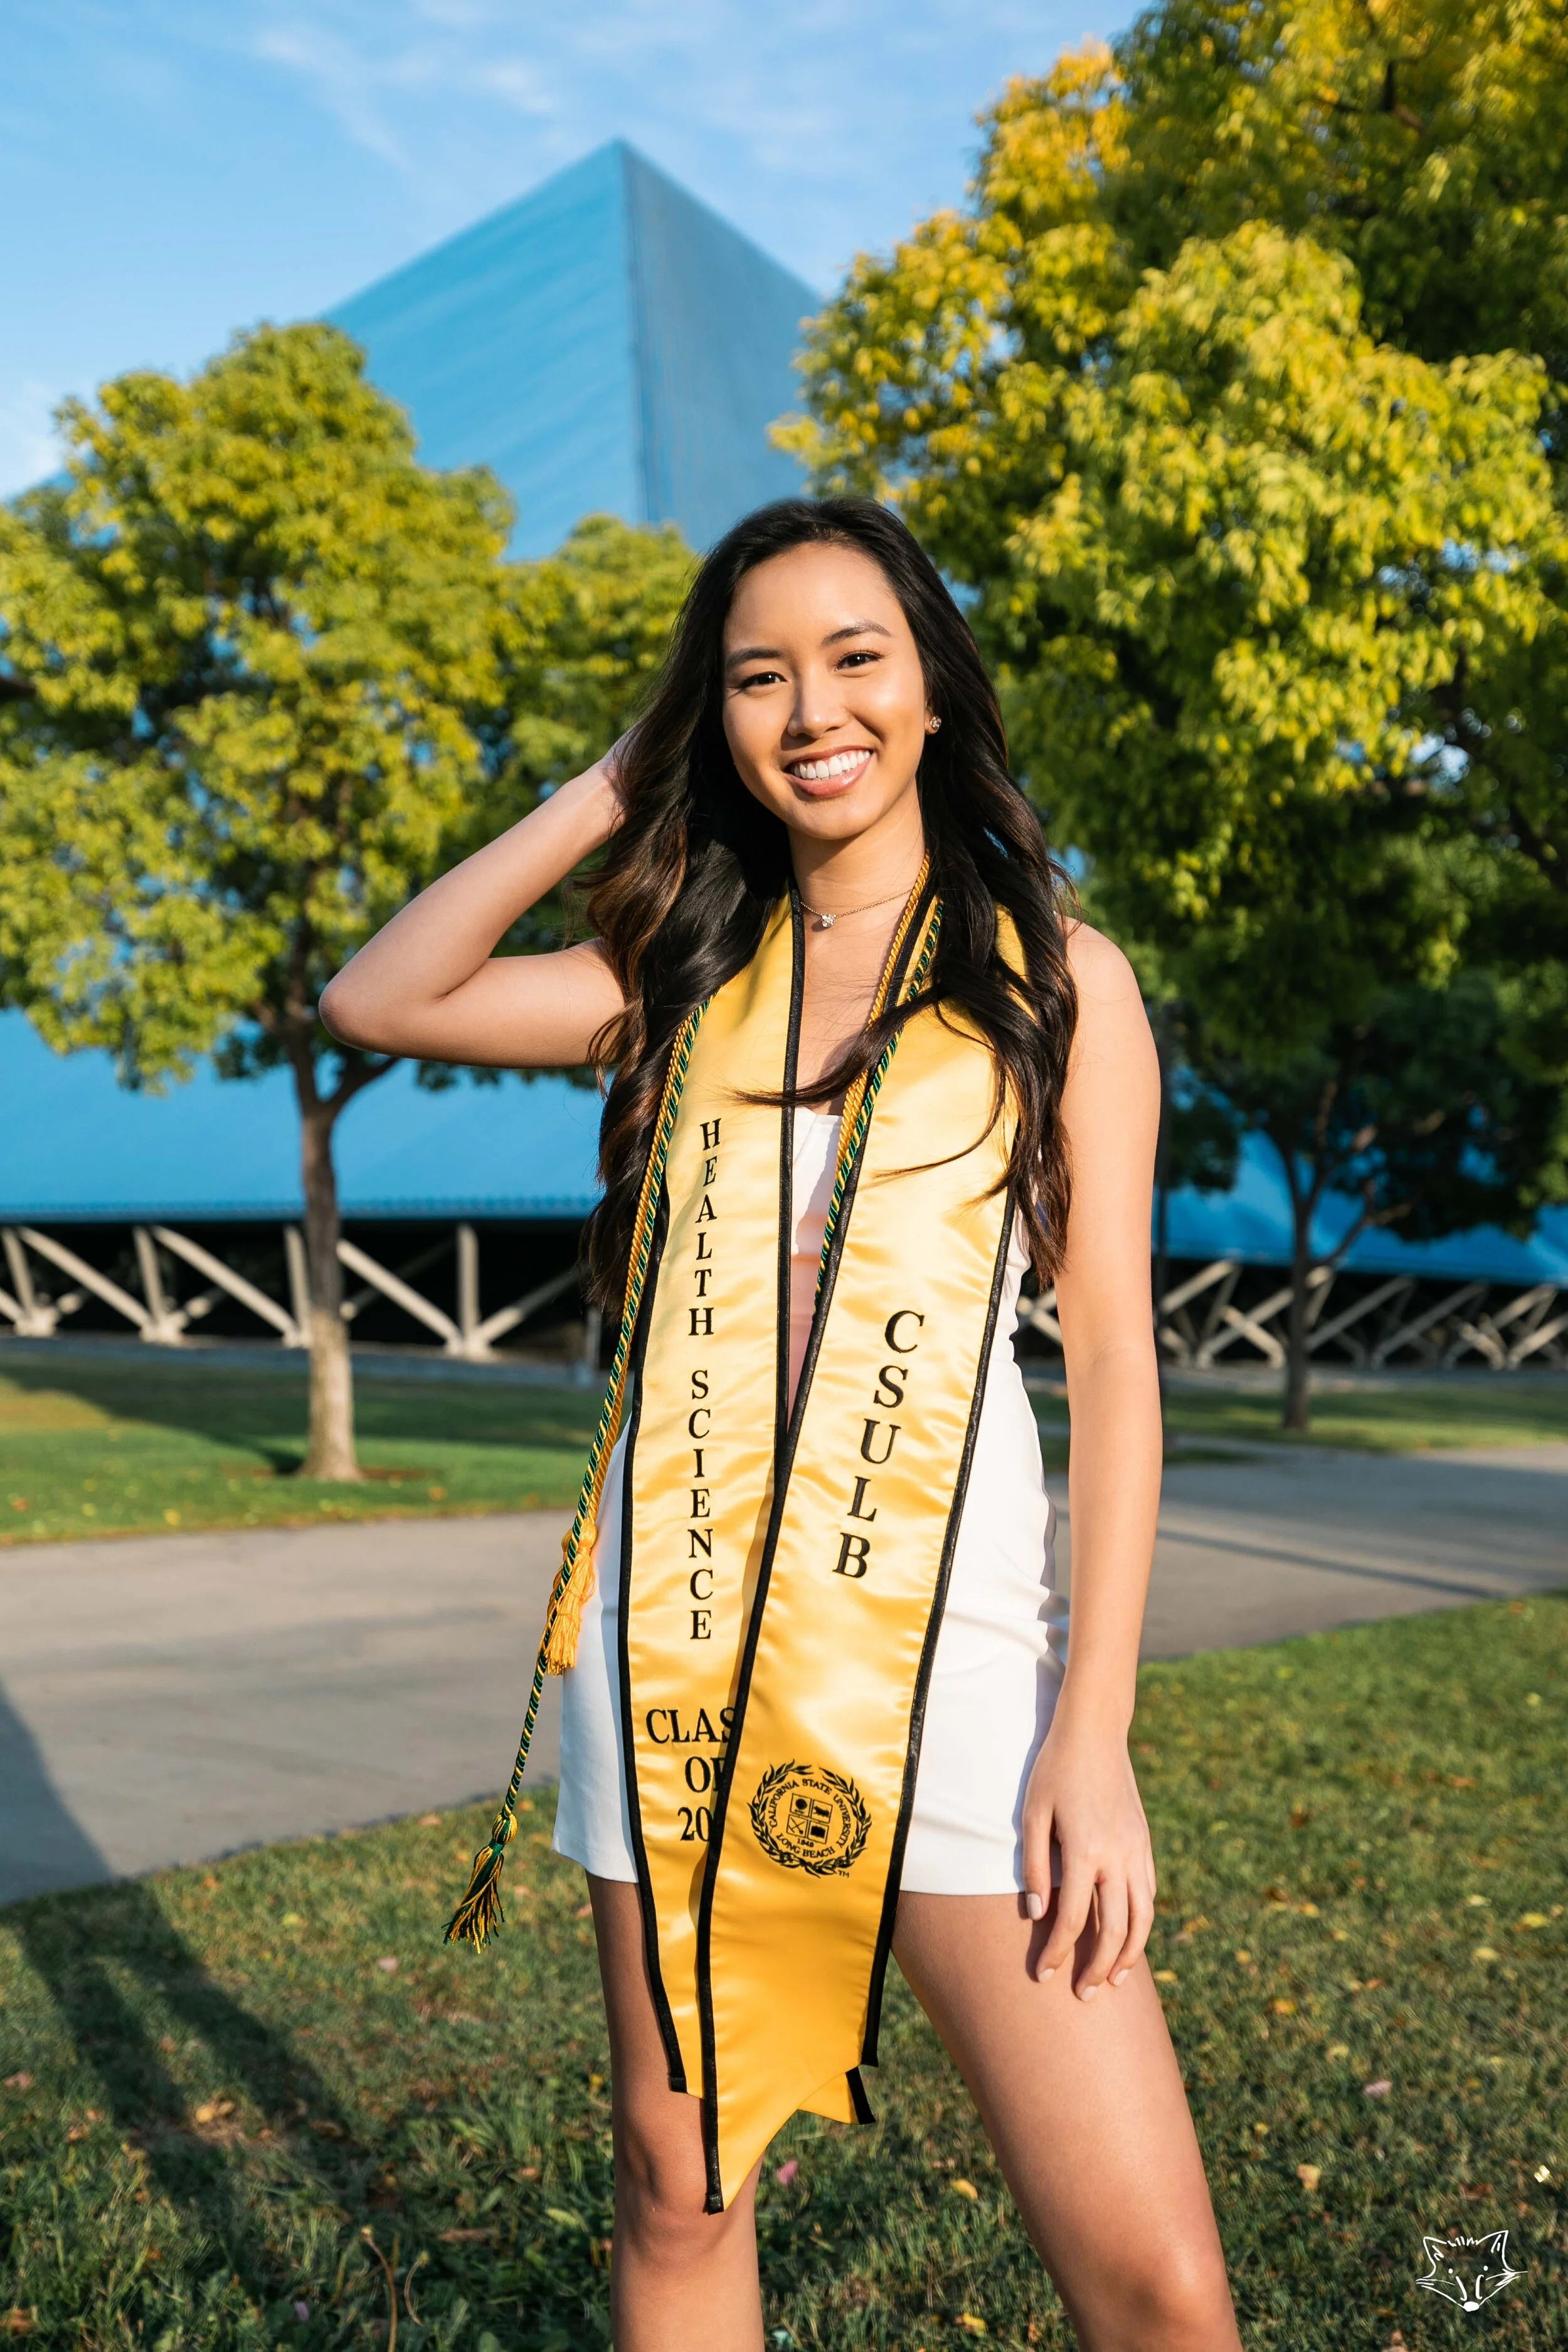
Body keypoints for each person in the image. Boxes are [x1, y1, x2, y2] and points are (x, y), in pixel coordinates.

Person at [322, 497, 1241, 2351]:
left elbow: (1118, 1377)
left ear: (931, 689)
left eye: (854, 657)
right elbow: (379, 994)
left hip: (949, 1668)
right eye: (757, 676)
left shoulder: (1056, 981)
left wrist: (1095, 1733)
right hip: (676, 1658)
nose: (813, 710)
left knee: (1152, 2281)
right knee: (682, 2198)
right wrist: (620, 778)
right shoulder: (679, 981)